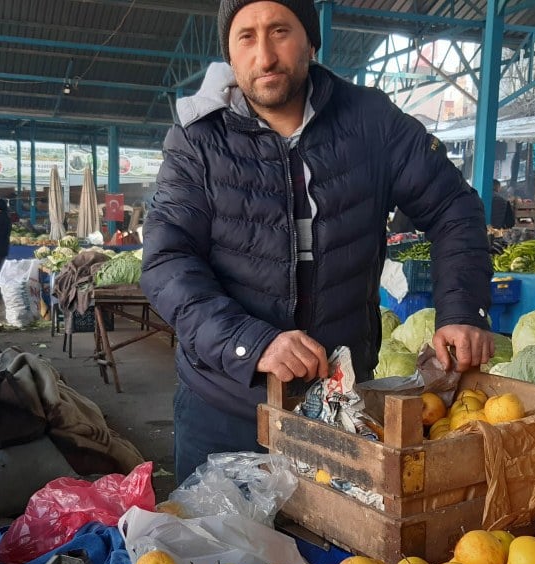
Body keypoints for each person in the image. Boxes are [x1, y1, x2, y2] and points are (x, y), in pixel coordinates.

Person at [140, 0, 494, 482]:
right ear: (230, 51)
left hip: (341, 403)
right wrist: (252, 344)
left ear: (310, 40)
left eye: (279, 31)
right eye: (246, 37)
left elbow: (455, 209)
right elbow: (167, 261)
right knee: (217, 551)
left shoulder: (372, 121)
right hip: (224, 401)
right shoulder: (199, 139)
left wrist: (461, 310)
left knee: (338, 554)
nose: (264, 56)